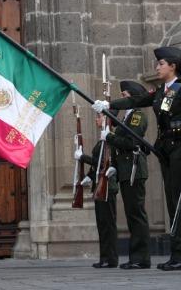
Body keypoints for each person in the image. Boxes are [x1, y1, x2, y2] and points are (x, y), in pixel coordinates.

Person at [92, 47, 181, 271]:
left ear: (173, 66)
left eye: (161, 64)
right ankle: (177, 254)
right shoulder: (161, 92)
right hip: (166, 151)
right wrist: (109, 105)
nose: (157, 67)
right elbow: (135, 101)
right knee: (172, 201)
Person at [105, 81, 151, 269]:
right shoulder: (126, 117)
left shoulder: (137, 116)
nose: (121, 99)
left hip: (134, 168)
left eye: (124, 96)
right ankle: (135, 257)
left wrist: (109, 137)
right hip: (125, 169)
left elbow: (131, 142)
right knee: (132, 215)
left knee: (137, 214)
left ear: (133, 97)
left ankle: (141, 258)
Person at [75, 112, 119, 268]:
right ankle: (105, 257)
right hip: (99, 185)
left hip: (107, 187)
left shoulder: (110, 139)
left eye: (99, 116)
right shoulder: (103, 140)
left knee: (108, 224)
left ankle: (111, 258)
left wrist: (83, 157)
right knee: (102, 224)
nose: (96, 119)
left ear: (106, 119)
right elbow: (97, 165)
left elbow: (102, 163)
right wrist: (88, 176)